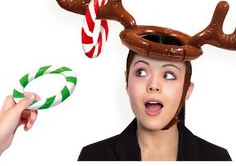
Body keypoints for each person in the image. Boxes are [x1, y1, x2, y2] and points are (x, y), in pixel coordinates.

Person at [78, 35, 232, 161]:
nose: (153, 85)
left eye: (169, 75)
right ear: (127, 81)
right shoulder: (92, 157)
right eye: (141, 72)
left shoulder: (218, 159)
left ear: (188, 90)